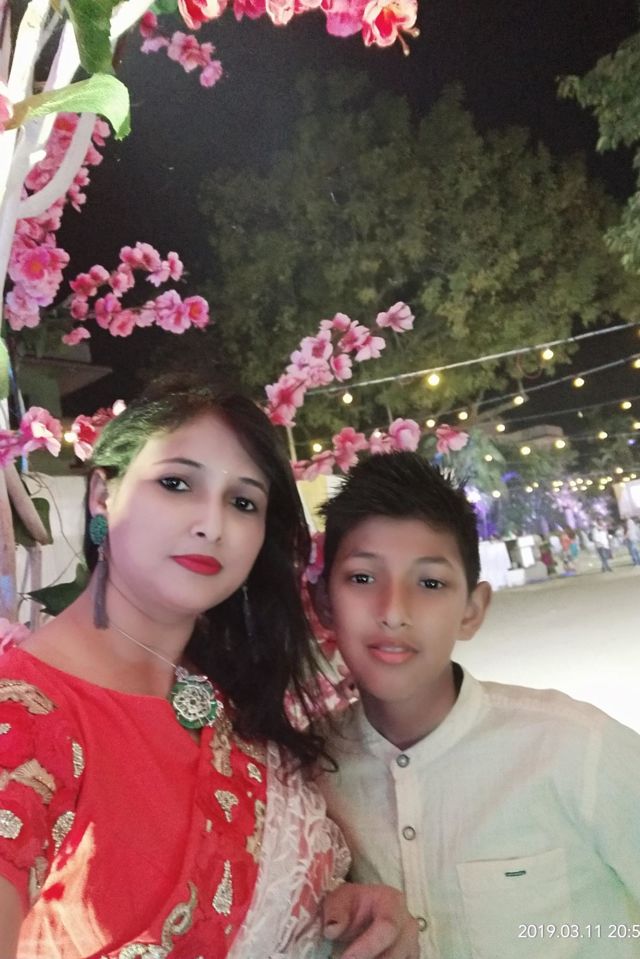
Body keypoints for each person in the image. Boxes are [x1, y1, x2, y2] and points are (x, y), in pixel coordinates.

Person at [0, 377, 418, 959]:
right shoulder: (20, 721)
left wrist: (344, 908)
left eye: (243, 502)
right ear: (102, 495)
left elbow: (268, 891)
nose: (212, 525)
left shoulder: (232, 689)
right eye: (176, 483)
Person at [314, 452, 640, 958]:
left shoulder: (576, 747)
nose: (393, 611)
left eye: (430, 583)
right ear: (323, 604)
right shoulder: (311, 773)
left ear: (472, 610)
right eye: (362, 578)